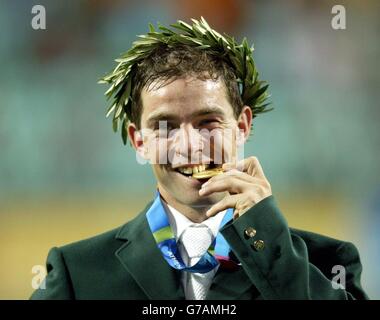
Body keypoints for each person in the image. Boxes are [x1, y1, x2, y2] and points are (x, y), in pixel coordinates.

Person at [31, 18, 368, 300]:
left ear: (242, 127)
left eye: (208, 122)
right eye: (166, 126)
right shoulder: (78, 274)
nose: (190, 144)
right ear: (139, 141)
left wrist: (267, 238)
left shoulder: (325, 265)